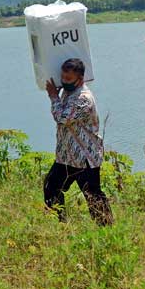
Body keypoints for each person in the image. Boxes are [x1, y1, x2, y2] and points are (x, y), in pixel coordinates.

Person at [43, 58, 114, 225]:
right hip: (67, 157)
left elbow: (62, 118)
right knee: (51, 187)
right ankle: (60, 224)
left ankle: (107, 230)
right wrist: (59, 93)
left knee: (93, 196)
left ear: (80, 78)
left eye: (69, 79)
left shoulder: (83, 98)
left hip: (85, 158)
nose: (65, 81)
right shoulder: (69, 92)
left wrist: (54, 96)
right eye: (63, 78)